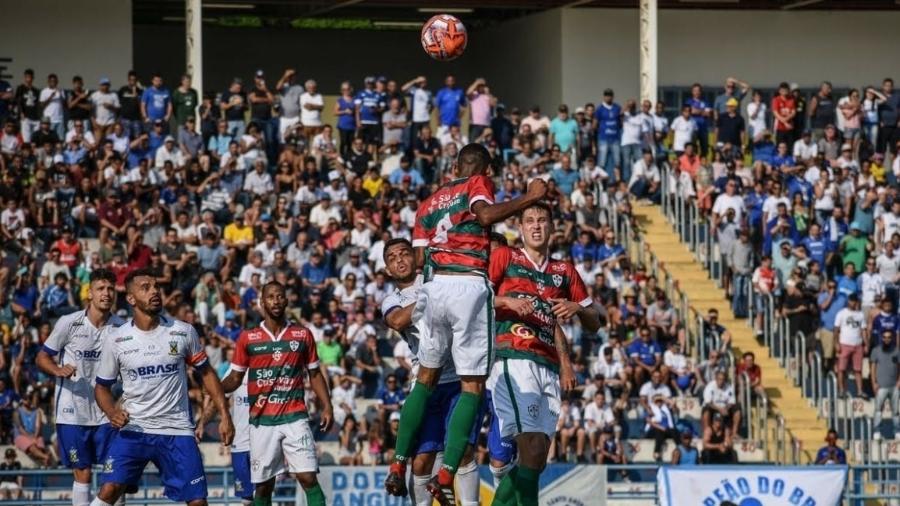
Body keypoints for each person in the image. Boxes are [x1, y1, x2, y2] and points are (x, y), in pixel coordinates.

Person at [385, 143, 547, 505]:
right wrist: (529, 196)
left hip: (433, 286)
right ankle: (445, 475)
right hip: (466, 283)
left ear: (453, 164)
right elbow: (486, 215)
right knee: (472, 385)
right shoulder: (477, 183)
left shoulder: (429, 202)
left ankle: (397, 463)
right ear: (486, 171)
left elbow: (417, 256)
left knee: (423, 379)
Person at [90, 268, 234, 506]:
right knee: (110, 489)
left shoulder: (183, 331)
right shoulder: (117, 339)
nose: (155, 291)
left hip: (176, 429)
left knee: (197, 502)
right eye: (145, 288)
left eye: (156, 286)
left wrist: (225, 415)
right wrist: (112, 412)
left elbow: (207, 373)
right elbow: (101, 388)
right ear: (131, 298)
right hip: (135, 428)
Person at [487, 202, 600, 504]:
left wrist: (577, 308)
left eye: (542, 220)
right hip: (512, 358)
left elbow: (595, 321)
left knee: (535, 461)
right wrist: (507, 302)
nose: (536, 226)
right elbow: (476, 294)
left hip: (548, 366)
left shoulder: (564, 271)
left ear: (551, 227)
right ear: (520, 228)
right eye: (529, 221)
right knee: (532, 449)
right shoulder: (505, 256)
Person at [381, 238, 480, 506]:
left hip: (459, 377)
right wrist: (434, 296)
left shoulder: (435, 278)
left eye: (404, 254)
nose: (400, 260)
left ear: (415, 258)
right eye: (392, 258)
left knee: (465, 450)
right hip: (425, 381)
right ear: (388, 268)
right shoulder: (392, 299)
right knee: (422, 460)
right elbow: (398, 320)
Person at [221, 281, 333, 506]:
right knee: (263, 486)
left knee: (308, 477)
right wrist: (213, 385)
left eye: (280, 296)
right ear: (262, 303)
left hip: (295, 416)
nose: (276, 301)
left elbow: (315, 374)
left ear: (287, 300)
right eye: (270, 297)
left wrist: (327, 405)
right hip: (262, 421)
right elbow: (235, 378)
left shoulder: (302, 334)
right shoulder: (248, 337)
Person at [35, 269, 125, 506]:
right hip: (72, 411)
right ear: (90, 293)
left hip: (107, 414)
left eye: (110, 289)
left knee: (115, 475)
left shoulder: (122, 328)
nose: (106, 293)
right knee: (82, 472)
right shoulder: (69, 322)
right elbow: (42, 357)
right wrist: (57, 370)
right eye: (100, 289)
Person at [834, 293, 868, 398]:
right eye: (851, 300)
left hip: (857, 345)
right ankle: (841, 390)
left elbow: (863, 330)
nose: (853, 303)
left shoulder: (861, 315)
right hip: (844, 344)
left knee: (858, 369)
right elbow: (836, 330)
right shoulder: (841, 313)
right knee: (841, 369)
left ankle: (859, 391)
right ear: (848, 301)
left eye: (855, 301)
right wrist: (836, 344)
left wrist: (866, 344)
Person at [870, 330, 900, 439]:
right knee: (878, 410)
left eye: (889, 337)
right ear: (881, 338)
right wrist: (874, 382)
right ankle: (877, 431)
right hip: (881, 386)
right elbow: (873, 367)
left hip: (894, 387)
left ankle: (897, 431)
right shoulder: (876, 351)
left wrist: (899, 381)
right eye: (885, 337)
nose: (887, 339)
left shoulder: (897, 351)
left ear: (892, 338)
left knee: (896, 411)